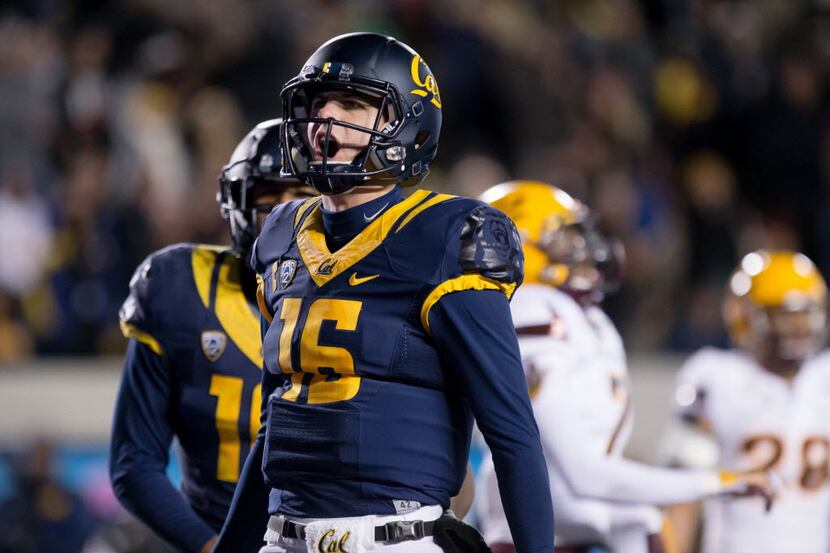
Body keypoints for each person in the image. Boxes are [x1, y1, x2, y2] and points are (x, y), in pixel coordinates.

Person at [214, 32, 553, 553]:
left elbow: (511, 432)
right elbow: (274, 423)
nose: (325, 120)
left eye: (351, 104)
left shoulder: (447, 236)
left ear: (408, 124)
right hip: (282, 539)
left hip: (394, 540)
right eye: (316, 104)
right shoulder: (279, 235)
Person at [476, 181, 769, 553]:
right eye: (564, 242)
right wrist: (713, 482)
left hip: (575, 529)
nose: (583, 252)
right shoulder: (532, 310)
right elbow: (582, 473)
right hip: (536, 537)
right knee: (644, 524)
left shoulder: (584, 318)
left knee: (645, 525)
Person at [109, 120, 316, 553]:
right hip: (220, 535)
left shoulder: (367, 296)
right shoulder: (180, 289)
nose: (282, 213)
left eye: (300, 196)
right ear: (237, 205)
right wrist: (215, 548)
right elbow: (135, 462)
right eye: (267, 198)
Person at [664, 250, 830, 553]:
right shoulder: (717, 378)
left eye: (806, 314)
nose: (798, 327)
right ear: (745, 316)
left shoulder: (824, 378)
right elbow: (683, 496)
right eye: (784, 315)